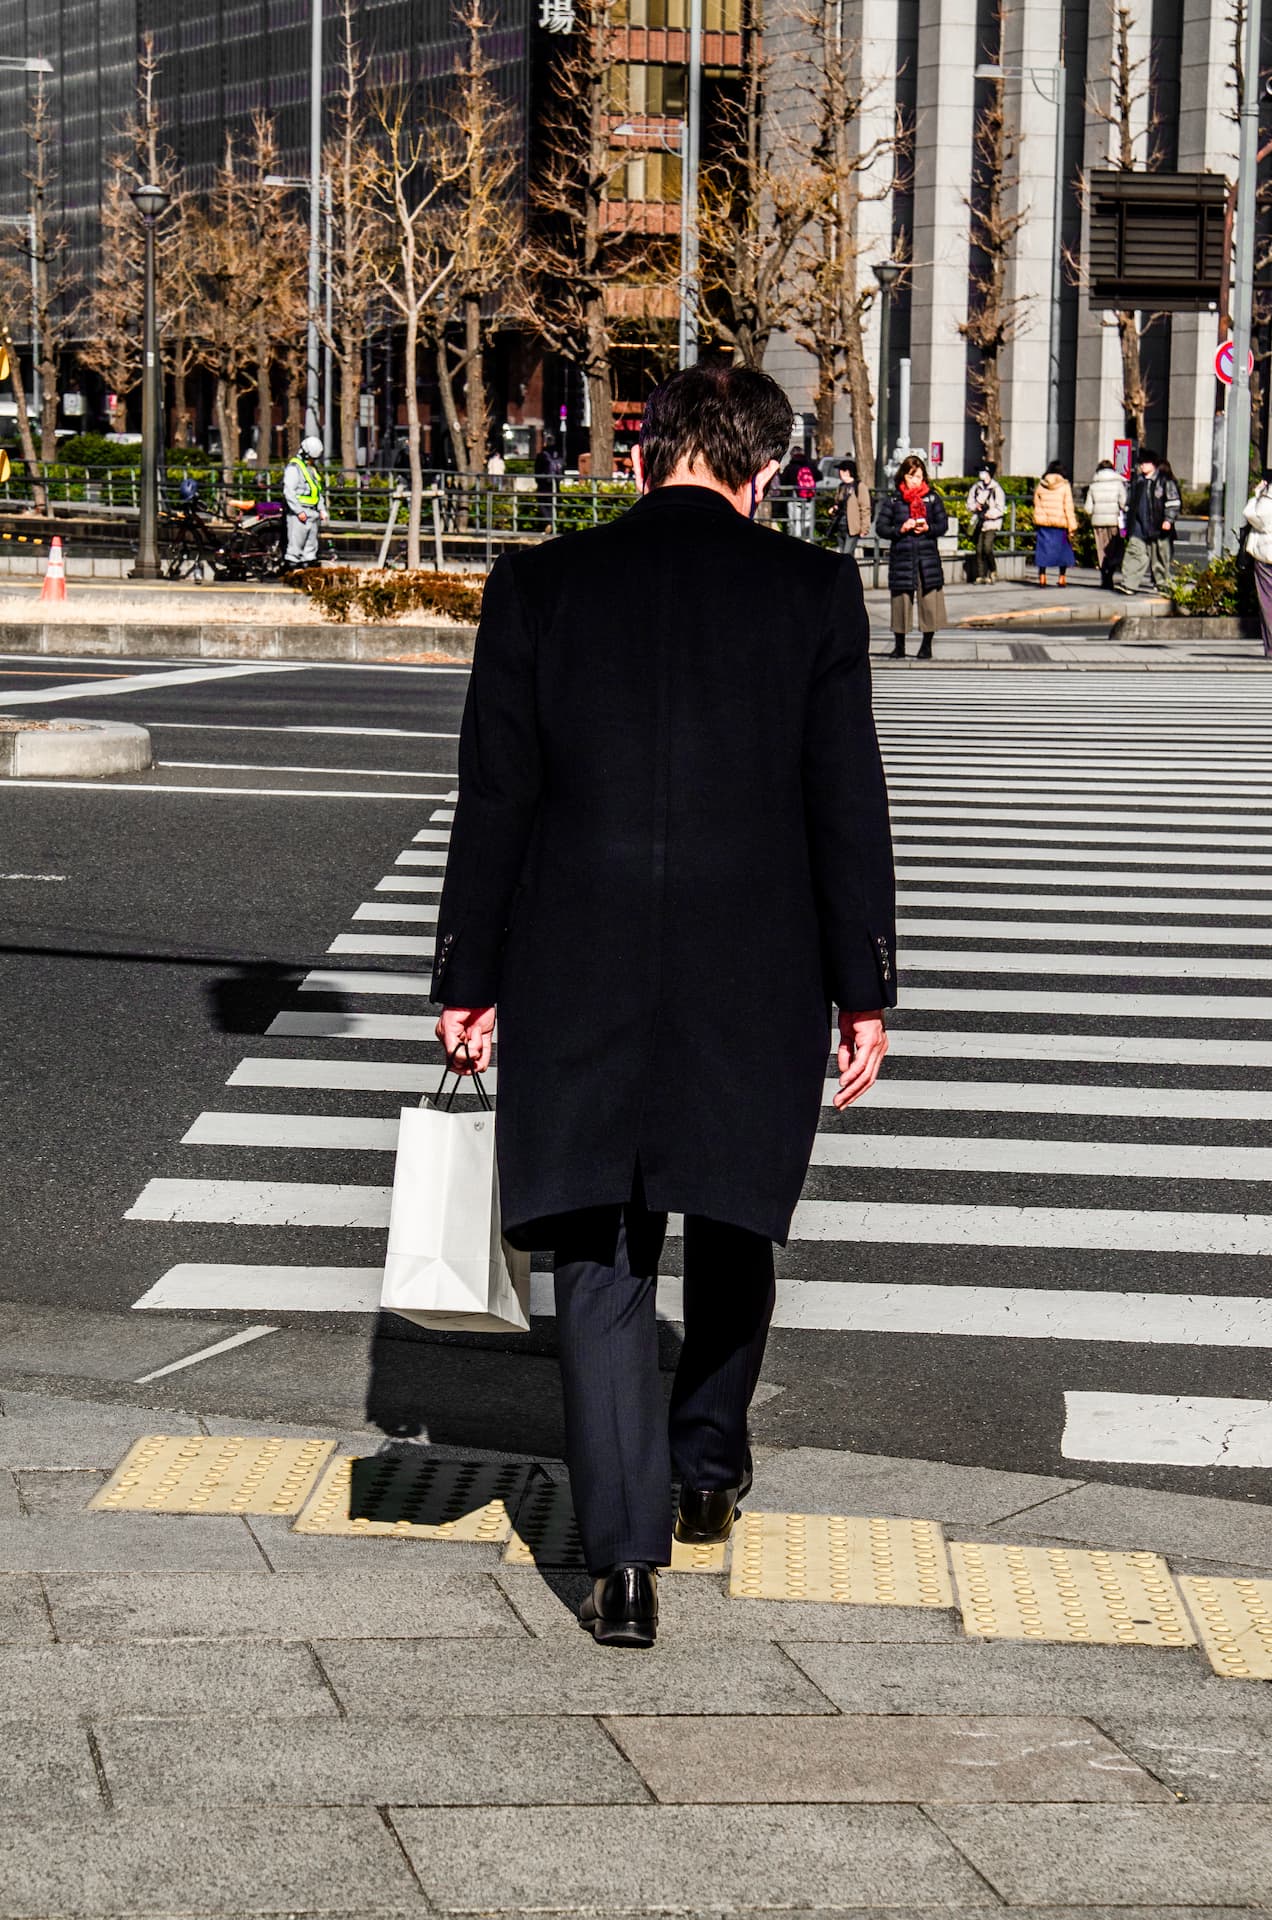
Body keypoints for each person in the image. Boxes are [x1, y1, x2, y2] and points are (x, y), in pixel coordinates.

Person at [432, 362, 896, 1648]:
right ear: (764, 475)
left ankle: (622, 1561)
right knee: (736, 1214)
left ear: (645, 459)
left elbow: (495, 801)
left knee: (599, 1250)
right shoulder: (808, 592)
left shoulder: (541, 586)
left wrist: (468, 976)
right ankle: (706, 1460)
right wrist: (863, 987)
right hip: (754, 967)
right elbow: (843, 802)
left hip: (574, 958)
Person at [875, 452, 948, 658]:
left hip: (927, 557)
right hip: (902, 556)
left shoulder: (932, 498)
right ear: (903, 476)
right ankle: (899, 645)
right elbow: (881, 527)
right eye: (912, 476)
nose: (916, 481)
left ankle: (927, 645)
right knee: (900, 601)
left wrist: (928, 527)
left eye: (919, 476)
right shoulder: (895, 500)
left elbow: (943, 525)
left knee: (929, 602)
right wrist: (901, 528)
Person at [1119, 447, 1180, 595]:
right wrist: (1126, 523)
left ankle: (1163, 585)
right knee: (1134, 552)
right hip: (1139, 525)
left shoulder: (1164, 481)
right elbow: (1129, 503)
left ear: (1154, 464)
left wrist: (1168, 519)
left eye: (1146, 463)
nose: (1142, 466)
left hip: (1158, 525)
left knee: (1159, 556)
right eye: (1141, 463)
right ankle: (1129, 584)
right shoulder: (1138, 482)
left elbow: (1173, 502)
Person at [282, 435, 328, 569]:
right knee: (295, 547)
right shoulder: (294, 468)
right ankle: (292, 569)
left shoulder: (311, 469)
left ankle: (308, 568)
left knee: (310, 548)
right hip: (300, 514)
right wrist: (298, 511)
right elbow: (289, 491)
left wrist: (321, 509)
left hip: (312, 513)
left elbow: (317, 491)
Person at [1032, 460, 1078, 588]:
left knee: (1043, 551)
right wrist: (1072, 526)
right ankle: (1062, 577)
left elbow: (1036, 503)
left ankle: (1042, 577)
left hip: (1044, 524)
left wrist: (1039, 518)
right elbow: (1068, 507)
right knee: (1063, 552)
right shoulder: (1064, 485)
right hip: (1060, 523)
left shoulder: (1041, 485)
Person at [1084, 458, 1127, 589]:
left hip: (1098, 522)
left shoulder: (1093, 485)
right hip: (1114, 521)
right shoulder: (1118, 484)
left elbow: (1088, 508)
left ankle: (1104, 576)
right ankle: (1111, 573)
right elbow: (1124, 503)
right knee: (1114, 550)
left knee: (1101, 550)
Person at [1243, 469, 1272, 658]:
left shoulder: (1267, 500)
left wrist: (1256, 496)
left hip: (1266, 554)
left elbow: (1253, 516)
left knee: (1267, 601)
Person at [967, 462, 1006, 583]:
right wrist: (976, 507)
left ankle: (992, 570)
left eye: (983, 472)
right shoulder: (976, 488)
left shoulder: (996, 489)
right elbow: (969, 504)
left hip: (992, 523)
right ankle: (981, 575)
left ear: (989, 473)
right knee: (978, 549)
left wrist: (990, 513)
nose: (981, 474)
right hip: (979, 522)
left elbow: (1001, 508)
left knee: (987, 547)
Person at [828, 456, 872, 558]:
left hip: (852, 527)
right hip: (840, 525)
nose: (839, 473)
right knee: (843, 554)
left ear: (847, 471)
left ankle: (846, 573)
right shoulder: (841, 487)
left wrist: (864, 528)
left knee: (846, 555)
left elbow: (865, 508)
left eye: (841, 470)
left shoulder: (859, 486)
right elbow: (838, 502)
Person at [781, 444, 819, 540]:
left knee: (794, 522)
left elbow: (783, 481)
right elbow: (819, 476)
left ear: (792, 455)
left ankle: (796, 543)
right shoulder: (810, 466)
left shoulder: (789, 467)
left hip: (793, 498)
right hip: (809, 498)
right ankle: (807, 540)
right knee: (807, 522)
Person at [534, 433, 563, 529]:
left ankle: (549, 522)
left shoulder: (542, 455)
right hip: (555, 484)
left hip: (544, 484)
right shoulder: (558, 456)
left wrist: (538, 480)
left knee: (542, 502)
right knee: (553, 504)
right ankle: (552, 523)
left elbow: (537, 470)